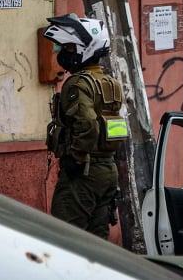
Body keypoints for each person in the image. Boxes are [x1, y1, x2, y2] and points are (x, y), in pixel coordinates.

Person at [42, 13, 128, 238]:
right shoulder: (110, 82)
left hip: (84, 173)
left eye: (68, 49)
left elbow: (88, 123)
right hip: (108, 170)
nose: (62, 54)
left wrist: (75, 158)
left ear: (83, 49)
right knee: (96, 239)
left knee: (65, 237)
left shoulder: (78, 83)